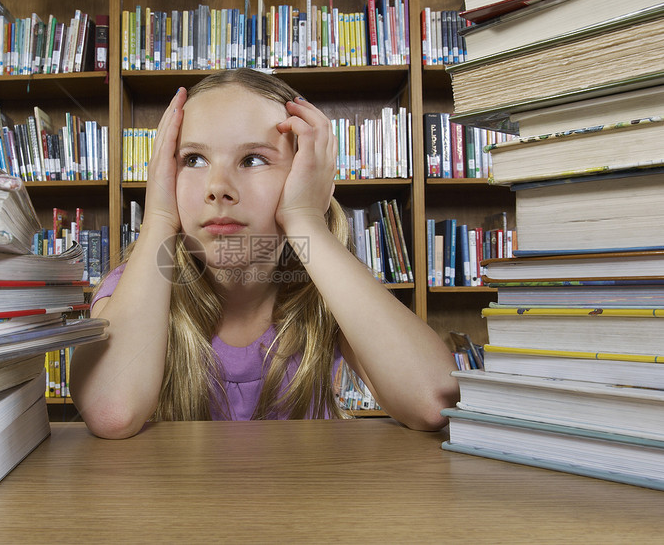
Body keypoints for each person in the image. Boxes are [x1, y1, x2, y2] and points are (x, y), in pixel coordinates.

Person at [71, 68, 459, 439]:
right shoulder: (133, 287)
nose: (217, 187)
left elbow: (433, 402)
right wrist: (157, 218)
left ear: (304, 175)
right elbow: (112, 412)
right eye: (193, 160)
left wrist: (306, 220)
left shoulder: (326, 288)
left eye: (253, 159)